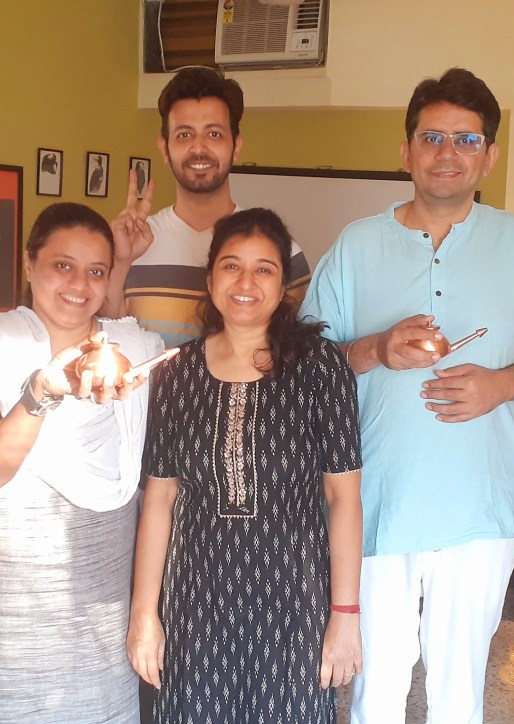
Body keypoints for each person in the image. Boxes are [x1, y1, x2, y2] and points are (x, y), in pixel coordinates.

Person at [300, 67, 514, 723]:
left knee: (459, 693)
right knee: (376, 691)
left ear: (490, 155)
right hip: (376, 501)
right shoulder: (356, 245)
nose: (447, 153)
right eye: (432, 137)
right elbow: (307, 363)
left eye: (466, 139)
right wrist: (376, 349)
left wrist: (501, 385)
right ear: (406, 150)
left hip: (480, 506)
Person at [127, 208, 362, 722]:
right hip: (195, 603)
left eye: (264, 269)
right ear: (210, 278)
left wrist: (345, 615)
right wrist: (145, 614)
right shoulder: (177, 374)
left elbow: (343, 498)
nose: (246, 282)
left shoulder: (322, 368)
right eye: (232, 266)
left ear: (283, 285)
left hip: (294, 604)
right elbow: (159, 500)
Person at [0, 203, 162, 722]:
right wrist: (41, 392)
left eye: (96, 271)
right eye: (63, 265)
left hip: (101, 604)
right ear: (29, 264)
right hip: (10, 605)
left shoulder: (136, 350)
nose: (79, 284)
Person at [102, 66, 310, 347]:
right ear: (164, 148)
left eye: (214, 134)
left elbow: (298, 348)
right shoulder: (131, 245)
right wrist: (120, 262)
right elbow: (109, 339)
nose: (199, 148)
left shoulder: (279, 252)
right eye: (184, 135)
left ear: (236, 146)